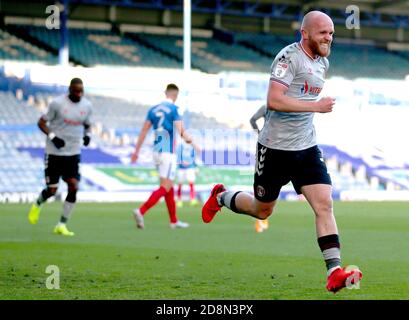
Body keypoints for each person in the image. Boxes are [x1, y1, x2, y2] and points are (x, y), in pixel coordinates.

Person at [201, 11, 362, 293]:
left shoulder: (322, 62)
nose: (329, 38)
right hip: (275, 148)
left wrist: (292, 108)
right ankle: (221, 196)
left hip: (306, 146)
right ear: (305, 33)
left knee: (324, 203)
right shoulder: (288, 58)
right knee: (262, 211)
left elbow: (294, 94)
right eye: (323, 33)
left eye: (332, 33)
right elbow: (275, 99)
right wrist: (315, 106)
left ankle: (334, 272)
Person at [28, 78, 92, 236]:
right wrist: (53, 137)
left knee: (74, 186)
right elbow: (41, 122)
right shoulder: (57, 103)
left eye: (81, 91)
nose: (79, 94)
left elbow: (88, 125)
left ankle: (61, 224)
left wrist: (88, 135)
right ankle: (38, 204)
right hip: (54, 153)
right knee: (52, 190)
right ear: (69, 90)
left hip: (73, 153)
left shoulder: (87, 106)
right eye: (76, 91)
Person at [131, 83, 193, 229]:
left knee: (168, 186)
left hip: (157, 150)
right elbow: (181, 130)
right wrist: (189, 139)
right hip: (168, 151)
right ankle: (141, 211)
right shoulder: (174, 109)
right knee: (165, 186)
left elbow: (144, 131)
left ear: (165, 93)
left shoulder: (153, 110)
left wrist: (136, 151)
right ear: (176, 95)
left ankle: (174, 221)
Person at [249, 105, 270, 233]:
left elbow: (252, 120)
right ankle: (260, 218)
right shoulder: (288, 106)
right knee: (267, 184)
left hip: (265, 145)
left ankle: (261, 218)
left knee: (263, 182)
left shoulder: (266, 107)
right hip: (281, 147)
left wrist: (259, 133)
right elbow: (252, 119)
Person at [176, 141, 200, 208]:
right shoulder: (180, 145)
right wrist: (181, 161)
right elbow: (177, 155)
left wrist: (195, 167)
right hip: (181, 168)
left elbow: (194, 157)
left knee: (191, 183)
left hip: (190, 167)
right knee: (180, 184)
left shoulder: (192, 146)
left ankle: (192, 199)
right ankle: (179, 200)